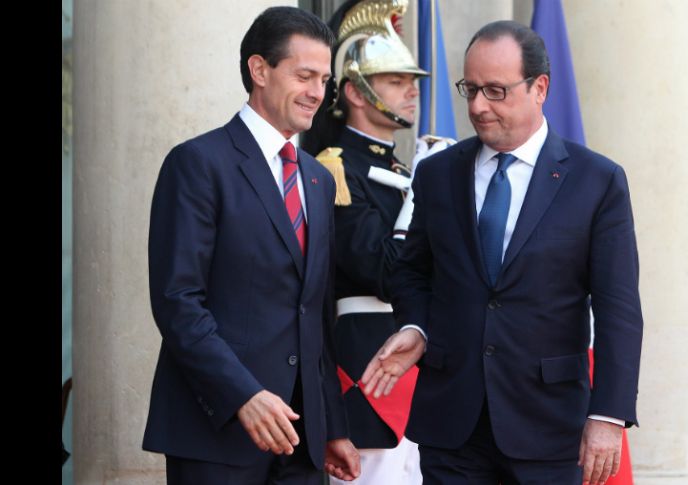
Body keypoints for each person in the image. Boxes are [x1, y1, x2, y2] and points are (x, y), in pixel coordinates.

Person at [361, 20, 643, 485]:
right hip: (452, 427)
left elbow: (619, 309)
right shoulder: (437, 174)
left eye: (495, 91)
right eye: (470, 89)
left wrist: (608, 415)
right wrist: (416, 326)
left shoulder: (597, 181)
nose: (477, 106)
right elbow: (411, 273)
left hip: (550, 428)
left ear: (540, 88)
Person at [142, 7, 360, 484]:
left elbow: (316, 314)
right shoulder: (197, 163)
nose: (317, 92)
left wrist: (332, 425)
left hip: (301, 441)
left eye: (324, 79)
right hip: (216, 433)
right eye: (304, 76)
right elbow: (178, 302)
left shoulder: (319, 180)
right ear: (259, 70)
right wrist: (243, 394)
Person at [302, 1, 451, 483]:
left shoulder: (399, 169)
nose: (412, 90)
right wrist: (421, 193)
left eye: (411, 80)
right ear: (356, 91)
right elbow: (385, 271)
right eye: (395, 80)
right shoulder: (335, 169)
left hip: (420, 369)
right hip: (368, 368)